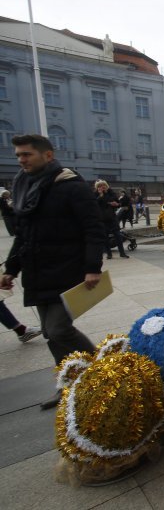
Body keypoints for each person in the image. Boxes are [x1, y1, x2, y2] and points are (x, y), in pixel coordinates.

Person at [3, 134, 106, 409]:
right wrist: (11, 268)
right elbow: (23, 233)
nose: (21, 160)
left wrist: (92, 267)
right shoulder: (23, 185)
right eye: (18, 155)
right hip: (38, 271)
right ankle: (68, 382)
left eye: (27, 154)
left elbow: (94, 229)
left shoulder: (70, 185)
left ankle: (104, 370)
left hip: (68, 269)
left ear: (47, 155)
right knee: (49, 334)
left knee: (58, 329)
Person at [95, 180, 129, 259]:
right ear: (97, 187)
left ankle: (122, 253)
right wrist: (100, 195)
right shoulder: (96, 194)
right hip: (102, 219)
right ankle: (109, 254)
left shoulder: (111, 193)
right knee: (105, 237)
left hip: (112, 218)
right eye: (100, 186)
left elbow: (116, 202)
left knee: (118, 235)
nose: (102, 187)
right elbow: (95, 203)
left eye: (103, 185)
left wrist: (117, 204)